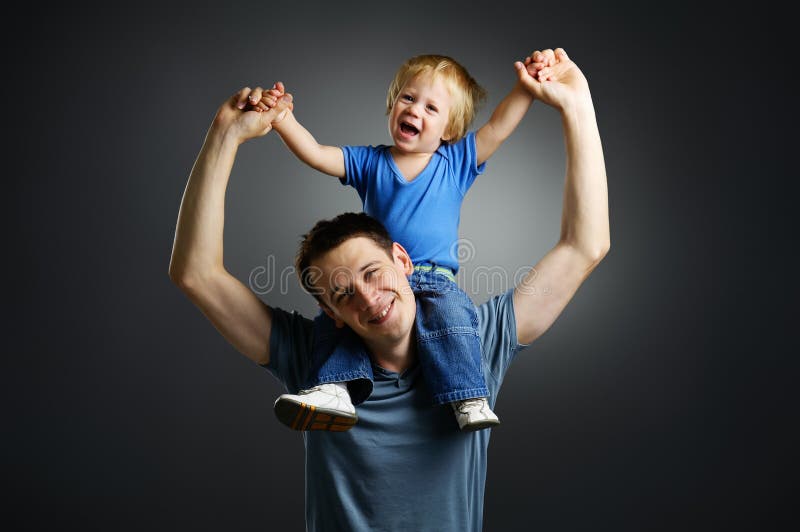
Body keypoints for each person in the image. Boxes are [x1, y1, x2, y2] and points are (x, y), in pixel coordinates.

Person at [169, 47, 609, 531]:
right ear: (331, 314)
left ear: (402, 259)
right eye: (341, 294)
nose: (365, 296)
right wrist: (224, 135)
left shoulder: (475, 342)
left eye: (372, 272)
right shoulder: (312, 358)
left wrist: (577, 103)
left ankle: (462, 398)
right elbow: (196, 273)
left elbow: (583, 246)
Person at [248, 52, 539, 432]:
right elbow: (317, 155)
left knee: (454, 320)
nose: (415, 110)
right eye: (407, 98)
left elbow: (498, 126)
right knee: (333, 325)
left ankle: (467, 395)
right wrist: (284, 121)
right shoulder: (369, 163)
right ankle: (334, 390)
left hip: (434, 279)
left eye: (431, 107)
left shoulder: (455, 162)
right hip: (376, 279)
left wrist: (525, 89)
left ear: (449, 129)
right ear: (392, 105)